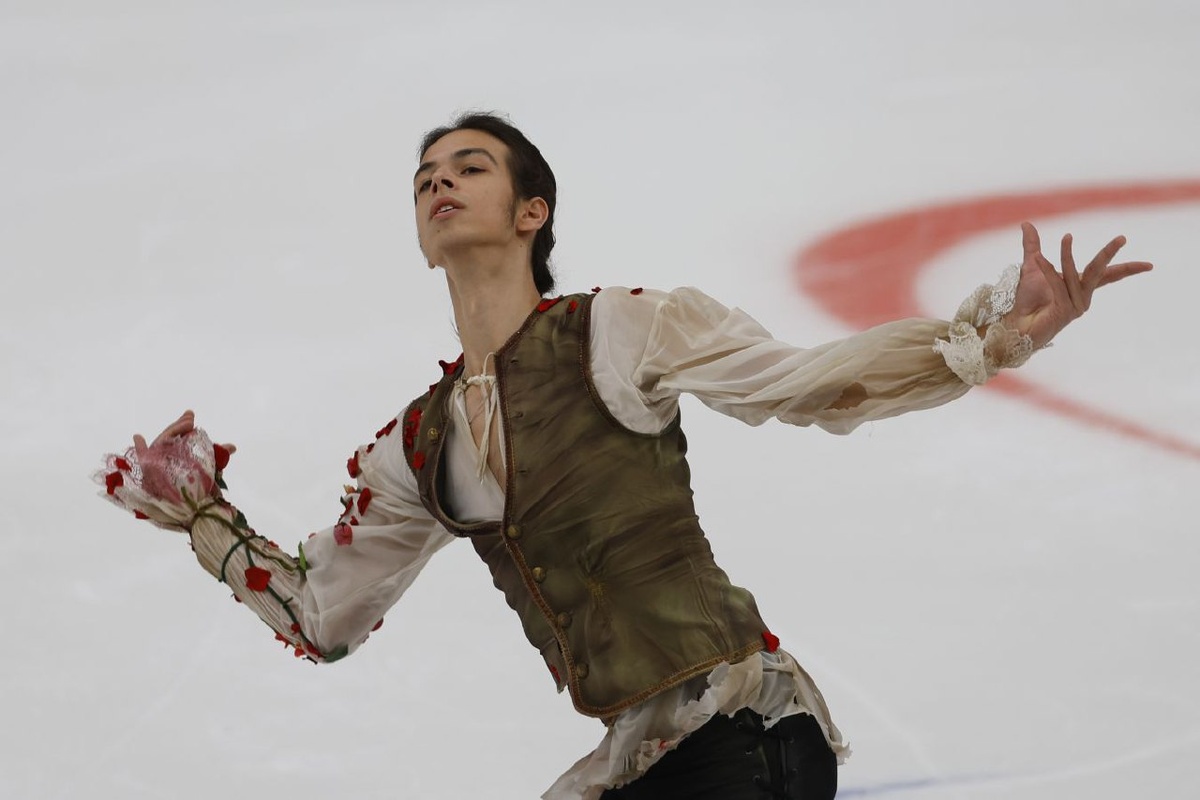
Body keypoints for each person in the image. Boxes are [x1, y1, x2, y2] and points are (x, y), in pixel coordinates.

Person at [96, 112, 1152, 800]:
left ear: (532, 211)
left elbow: (809, 383)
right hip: (642, 758)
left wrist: (994, 336)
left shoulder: (620, 330)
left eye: (470, 166)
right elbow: (323, 617)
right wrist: (202, 517)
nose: (440, 182)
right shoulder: (418, 446)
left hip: (745, 728)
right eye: (425, 178)